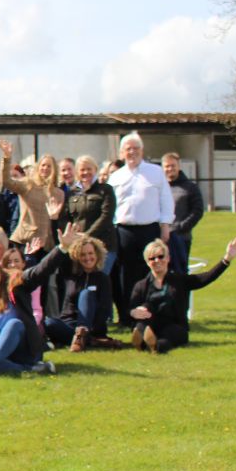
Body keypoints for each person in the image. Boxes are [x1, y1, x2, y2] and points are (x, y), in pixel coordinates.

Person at [0, 226, 73, 380]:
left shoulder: (16, 284)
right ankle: (32, 370)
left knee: (14, 324)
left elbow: (40, 271)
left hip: (22, 349)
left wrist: (62, 248)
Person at [129, 236, 236, 353]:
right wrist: (134, 312)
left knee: (166, 339)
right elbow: (131, 308)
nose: (157, 261)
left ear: (168, 258)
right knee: (144, 310)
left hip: (174, 326)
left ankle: (154, 346)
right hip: (152, 325)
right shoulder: (141, 285)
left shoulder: (180, 280)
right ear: (147, 262)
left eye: (160, 256)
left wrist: (226, 259)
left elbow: (207, 277)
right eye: (152, 258)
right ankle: (143, 340)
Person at [109, 133, 174, 327]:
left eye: (135, 148)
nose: (132, 152)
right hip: (123, 230)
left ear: (142, 151)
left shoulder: (155, 172)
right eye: (128, 149)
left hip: (149, 229)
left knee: (151, 272)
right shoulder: (116, 177)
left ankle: (151, 314)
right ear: (122, 153)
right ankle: (127, 317)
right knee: (125, 275)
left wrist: (165, 225)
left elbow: (166, 200)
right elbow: (110, 206)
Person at [43, 235, 115, 353]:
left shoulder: (103, 278)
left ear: (97, 254)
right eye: (83, 254)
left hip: (92, 326)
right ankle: (88, 340)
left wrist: (92, 328)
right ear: (76, 256)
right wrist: (64, 245)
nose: (87, 257)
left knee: (86, 294)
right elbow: (55, 261)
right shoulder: (69, 276)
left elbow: (105, 309)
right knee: (48, 322)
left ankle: (82, 336)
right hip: (70, 325)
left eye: (90, 253)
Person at [0, 140, 64, 251]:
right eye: (43, 165)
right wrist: (6, 158)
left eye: (49, 166)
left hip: (47, 244)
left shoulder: (59, 193)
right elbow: (7, 182)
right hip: (25, 240)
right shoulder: (28, 184)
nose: (45, 168)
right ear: (38, 167)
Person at [64, 155, 117, 273]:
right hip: (78, 246)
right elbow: (66, 218)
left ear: (95, 170)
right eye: (82, 169)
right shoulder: (72, 193)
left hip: (103, 245)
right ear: (77, 172)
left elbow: (106, 216)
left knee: (99, 279)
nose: (86, 172)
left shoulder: (106, 190)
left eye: (89, 169)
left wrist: (86, 235)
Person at [162, 152, 204, 274]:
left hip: (181, 237)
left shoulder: (190, 187)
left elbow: (197, 211)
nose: (170, 169)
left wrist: (181, 227)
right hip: (161, 238)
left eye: (173, 165)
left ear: (179, 166)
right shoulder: (159, 187)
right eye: (167, 166)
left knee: (180, 273)